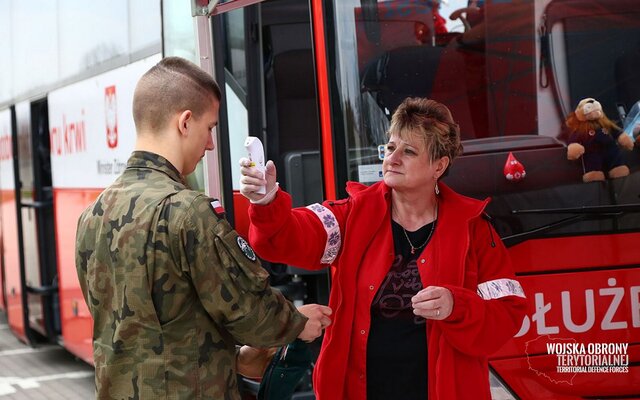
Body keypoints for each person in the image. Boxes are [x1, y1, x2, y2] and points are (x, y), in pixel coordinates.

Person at [75, 57, 332, 400]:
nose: (210, 144)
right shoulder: (187, 211)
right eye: (209, 128)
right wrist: (297, 322)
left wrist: (234, 358)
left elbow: (149, 328)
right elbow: (249, 310)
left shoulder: (93, 214)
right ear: (184, 122)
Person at [239, 97, 527, 400]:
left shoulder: (475, 229)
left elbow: (508, 314)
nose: (393, 158)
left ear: (439, 166)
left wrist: (457, 305)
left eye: (409, 151)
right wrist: (266, 201)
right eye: (391, 147)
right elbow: (283, 238)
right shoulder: (351, 214)